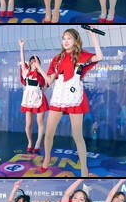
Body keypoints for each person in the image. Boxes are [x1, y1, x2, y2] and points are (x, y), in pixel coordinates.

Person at [35, 27, 103, 176]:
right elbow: (49, 81)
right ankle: (47, 159)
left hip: (74, 97)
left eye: (69, 38)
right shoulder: (57, 58)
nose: (66, 41)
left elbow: (99, 57)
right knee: (49, 133)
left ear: (75, 41)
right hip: (59, 97)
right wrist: (39, 67)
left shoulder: (81, 56)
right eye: (64, 38)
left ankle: (84, 167)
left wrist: (93, 36)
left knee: (77, 135)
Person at [19, 39, 49, 154]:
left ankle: (38, 142)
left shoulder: (41, 74)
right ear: (30, 63)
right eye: (33, 63)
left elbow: (46, 85)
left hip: (39, 100)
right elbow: (22, 60)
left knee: (40, 122)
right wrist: (22, 47)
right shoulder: (26, 72)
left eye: (37, 63)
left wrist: (43, 88)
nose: (35, 65)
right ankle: (30, 142)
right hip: (28, 100)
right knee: (28, 124)